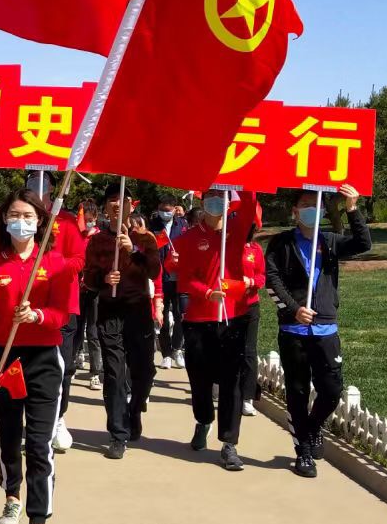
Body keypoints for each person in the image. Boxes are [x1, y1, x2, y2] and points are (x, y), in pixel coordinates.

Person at [0, 188, 71, 524]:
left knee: (40, 445)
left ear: (41, 220)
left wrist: (37, 316)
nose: (21, 222)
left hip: (44, 360)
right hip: (5, 360)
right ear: (4, 220)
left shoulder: (57, 264)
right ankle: (12, 495)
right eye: (14, 215)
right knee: (10, 437)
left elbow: (62, 315)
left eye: (29, 216)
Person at [265, 185, 371, 477]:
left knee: (332, 390)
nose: (312, 210)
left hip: (326, 329)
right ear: (295, 211)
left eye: (317, 205)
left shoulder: (330, 241)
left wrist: (352, 209)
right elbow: (272, 280)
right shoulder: (281, 243)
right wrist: (294, 309)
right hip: (294, 330)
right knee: (298, 391)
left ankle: (312, 427)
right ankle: (303, 451)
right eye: (306, 205)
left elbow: (363, 243)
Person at [175, 188, 258, 471]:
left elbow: (250, 205)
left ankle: (229, 443)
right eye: (211, 197)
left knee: (232, 382)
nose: (216, 202)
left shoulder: (237, 229)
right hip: (199, 319)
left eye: (222, 196)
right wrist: (207, 292)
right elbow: (185, 279)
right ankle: (203, 420)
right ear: (203, 201)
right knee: (199, 378)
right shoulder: (189, 238)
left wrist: (247, 179)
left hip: (233, 317)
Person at [82, 183, 163, 458]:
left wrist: (136, 249)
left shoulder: (145, 238)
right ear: (106, 207)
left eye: (123, 199)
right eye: (112, 200)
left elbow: (154, 271)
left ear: (131, 205)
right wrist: (104, 279)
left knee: (144, 371)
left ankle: (134, 409)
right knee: (115, 373)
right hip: (110, 311)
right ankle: (117, 433)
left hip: (138, 311)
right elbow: (89, 279)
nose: (118, 204)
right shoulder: (97, 241)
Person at [25, 173, 86, 453]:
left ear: (53, 187)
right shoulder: (23, 219)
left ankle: (58, 418)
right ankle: (33, 421)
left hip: (62, 305)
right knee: (28, 366)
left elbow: (79, 260)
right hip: (28, 305)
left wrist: (54, 266)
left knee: (62, 366)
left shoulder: (68, 222)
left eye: (43, 181)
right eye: (31, 179)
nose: (38, 185)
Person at [153, 195, 188, 369]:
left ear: (175, 209)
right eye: (162, 209)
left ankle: (177, 349)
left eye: (168, 210)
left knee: (181, 314)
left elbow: (189, 246)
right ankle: (166, 353)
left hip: (179, 277)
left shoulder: (182, 225)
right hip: (160, 277)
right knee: (162, 315)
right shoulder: (153, 226)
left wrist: (181, 257)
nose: (165, 213)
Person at [239, 211, 266, 418]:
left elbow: (261, 276)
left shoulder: (255, 249)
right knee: (226, 349)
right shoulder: (226, 247)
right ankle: (220, 384)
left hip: (250, 305)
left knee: (249, 351)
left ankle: (247, 397)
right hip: (228, 306)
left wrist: (252, 282)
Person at [77, 197, 103, 390]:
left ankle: (95, 372)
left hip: (94, 290)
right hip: (77, 289)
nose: (87, 223)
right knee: (76, 329)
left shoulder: (100, 237)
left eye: (90, 219)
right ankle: (73, 360)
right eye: (84, 219)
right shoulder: (75, 235)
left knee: (93, 332)